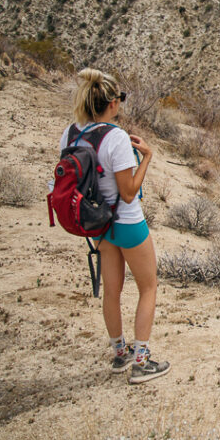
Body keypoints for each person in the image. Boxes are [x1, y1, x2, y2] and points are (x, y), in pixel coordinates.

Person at [61, 68, 170, 384]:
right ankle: (142, 361)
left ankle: (119, 353)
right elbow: (128, 191)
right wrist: (146, 157)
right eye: (120, 98)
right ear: (111, 103)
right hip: (127, 221)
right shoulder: (116, 137)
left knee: (112, 290)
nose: (121, 104)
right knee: (148, 287)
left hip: (97, 222)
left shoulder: (71, 133)